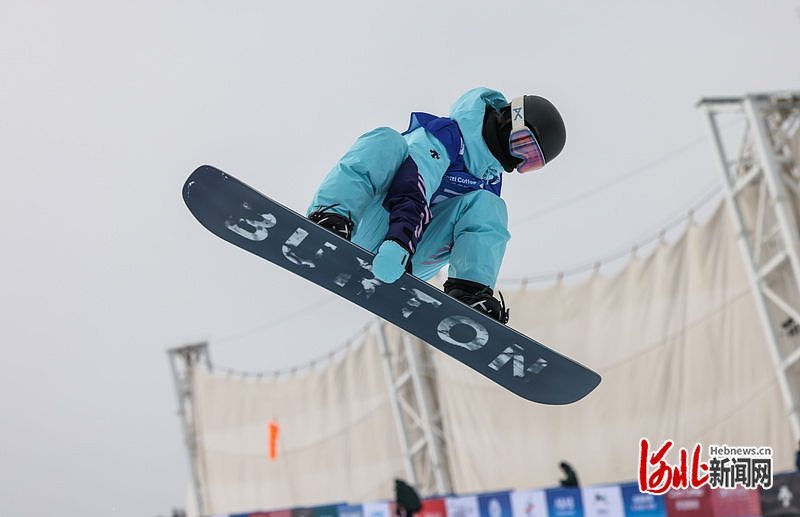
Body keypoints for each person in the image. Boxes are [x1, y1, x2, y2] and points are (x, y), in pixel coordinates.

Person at [307, 87, 566, 323]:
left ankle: (469, 293)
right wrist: (399, 242)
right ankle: (332, 217)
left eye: (530, 161)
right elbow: (414, 184)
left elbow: (479, 236)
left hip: (408, 258)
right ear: (508, 119)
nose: (518, 158)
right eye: (522, 144)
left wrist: (404, 249)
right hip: (374, 223)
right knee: (385, 140)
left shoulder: (489, 182)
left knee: (490, 206)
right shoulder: (448, 137)